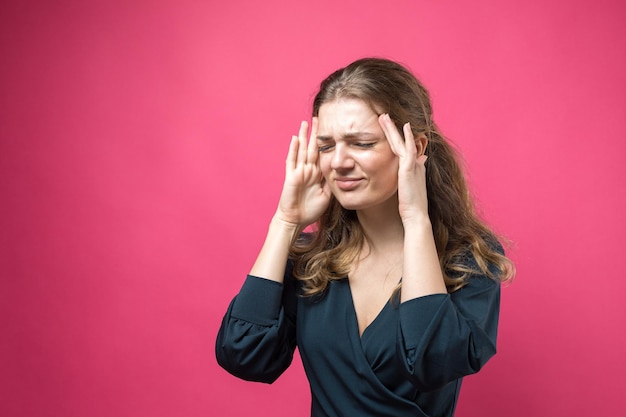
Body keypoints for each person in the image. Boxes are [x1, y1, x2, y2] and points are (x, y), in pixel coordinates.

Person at [215, 57, 515, 417]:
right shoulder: (312, 263)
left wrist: (415, 218)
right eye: (326, 146)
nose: (338, 161)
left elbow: (431, 362)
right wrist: (285, 221)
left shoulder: (467, 261)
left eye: (361, 143)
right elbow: (244, 355)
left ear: (415, 148)